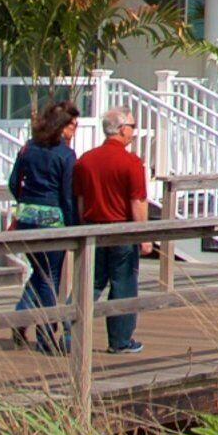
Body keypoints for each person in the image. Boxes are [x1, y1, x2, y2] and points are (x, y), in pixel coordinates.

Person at [70, 107, 152, 354]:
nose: (133, 133)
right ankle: (120, 340)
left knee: (91, 282)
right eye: (132, 128)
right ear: (121, 129)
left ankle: (65, 328)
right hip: (122, 230)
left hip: (93, 229)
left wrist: (83, 227)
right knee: (123, 285)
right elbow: (137, 202)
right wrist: (144, 237)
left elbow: (81, 199)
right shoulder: (131, 162)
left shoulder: (85, 160)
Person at [9, 100, 83, 352]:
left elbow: (13, 182)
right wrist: (73, 224)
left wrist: (24, 202)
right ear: (61, 127)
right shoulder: (65, 154)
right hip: (53, 219)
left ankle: (21, 317)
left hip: (27, 217)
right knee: (50, 277)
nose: (74, 130)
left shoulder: (28, 148)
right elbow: (67, 194)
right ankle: (46, 336)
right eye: (72, 126)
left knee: (40, 273)